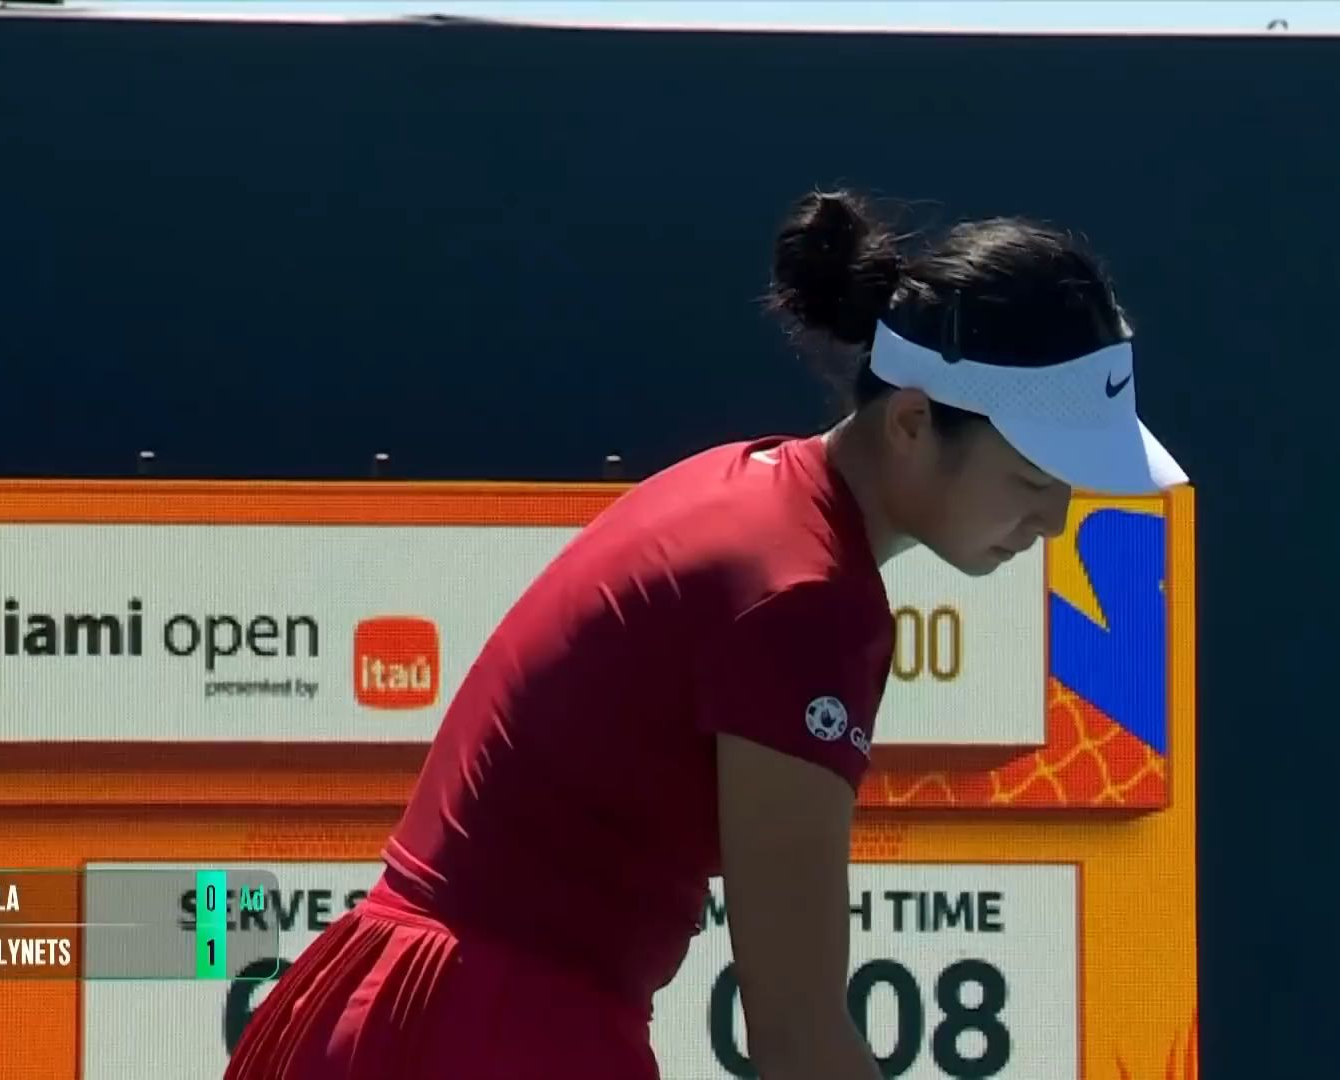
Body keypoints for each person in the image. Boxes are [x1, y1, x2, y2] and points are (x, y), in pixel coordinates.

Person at [223, 189, 1186, 1080]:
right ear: (911, 422)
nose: (1053, 521)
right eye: (1032, 480)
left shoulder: (751, 486)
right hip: (480, 1033)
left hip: (385, 1009)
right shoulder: (809, 599)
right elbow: (798, 1037)